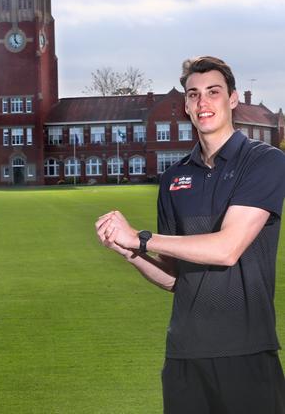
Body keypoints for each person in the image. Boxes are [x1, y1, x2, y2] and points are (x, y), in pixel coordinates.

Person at [95, 56, 285, 413]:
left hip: (245, 352)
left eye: (213, 92)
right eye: (193, 94)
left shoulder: (264, 161)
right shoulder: (173, 179)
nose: (203, 102)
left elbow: (228, 248)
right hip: (184, 354)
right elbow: (172, 278)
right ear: (185, 104)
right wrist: (129, 251)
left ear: (232, 99)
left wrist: (140, 237)